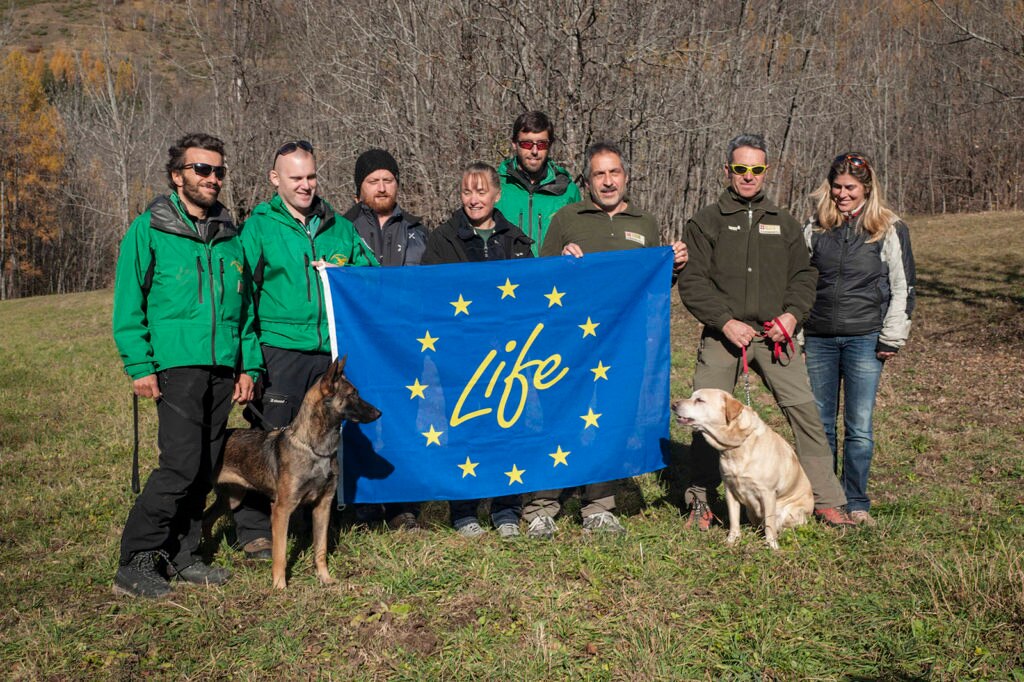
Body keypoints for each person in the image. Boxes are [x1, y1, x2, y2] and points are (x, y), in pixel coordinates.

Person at [678, 133, 854, 531]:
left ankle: (825, 499)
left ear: (766, 172)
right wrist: (724, 321)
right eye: (740, 169)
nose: (748, 176)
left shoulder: (785, 223)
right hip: (725, 335)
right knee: (704, 417)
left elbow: (805, 277)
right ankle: (701, 501)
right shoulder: (705, 222)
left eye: (756, 169)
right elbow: (693, 282)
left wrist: (792, 316)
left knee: (804, 412)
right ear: (728, 171)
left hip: (777, 336)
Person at [111, 132, 262, 598]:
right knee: (179, 465)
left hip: (222, 367)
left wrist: (247, 366)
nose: (212, 178)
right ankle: (136, 560)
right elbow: (127, 304)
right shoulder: (149, 229)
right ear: (177, 176)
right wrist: (140, 365)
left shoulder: (230, 236)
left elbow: (246, 310)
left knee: (207, 465)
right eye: (202, 169)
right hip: (176, 366)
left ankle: (183, 554)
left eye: (219, 170)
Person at [529, 141, 688, 539]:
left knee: (607, 419)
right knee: (559, 415)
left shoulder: (645, 224)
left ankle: (598, 506)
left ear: (626, 177)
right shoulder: (567, 217)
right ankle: (541, 506)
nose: (607, 181)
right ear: (588, 180)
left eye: (614, 172)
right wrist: (562, 259)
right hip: (569, 340)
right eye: (599, 174)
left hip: (620, 342)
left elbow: (650, 288)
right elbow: (542, 277)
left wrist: (672, 266)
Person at [235, 140, 378, 558]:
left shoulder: (339, 225)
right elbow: (241, 297)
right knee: (270, 441)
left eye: (311, 176)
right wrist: (248, 357)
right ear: (275, 179)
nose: (306, 185)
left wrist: (345, 273)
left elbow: (373, 276)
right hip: (280, 348)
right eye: (295, 177)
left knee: (326, 437)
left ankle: (317, 515)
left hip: (328, 349)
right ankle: (254, 528)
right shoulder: (259, 226)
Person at [802, 151, 916, 527]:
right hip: (818, 338)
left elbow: (903, 286)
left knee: (859, 426)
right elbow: (799, 285)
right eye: (836, 187)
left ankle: (856, 502)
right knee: (820, 424)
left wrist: (892, 336)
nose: (842, 194)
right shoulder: (816, 228)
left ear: (866, 188)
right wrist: (800, 334)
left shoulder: (888, 228)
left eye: (850, 187)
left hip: (865, 339)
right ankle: (825, 500)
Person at [422, 162, 532, 537]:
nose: (474, 199)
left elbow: (533, 294)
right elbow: (431, 295)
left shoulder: (516, 241)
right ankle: (464, 510)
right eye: (467, 191)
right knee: (465, 426)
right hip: (461, 353)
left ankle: (505, 508)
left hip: (508, 354)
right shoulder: (443, 239)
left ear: (496, 195)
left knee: (508, 424)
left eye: (481, 191)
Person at [343, 148, 428, 530]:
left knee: (404, 421)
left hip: (406, 345)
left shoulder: (418, 230)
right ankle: (363, 506)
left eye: (388, 180)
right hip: (358, 342)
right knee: (358, 422)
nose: (382, 187)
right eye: (373, 181)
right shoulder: (340, 229)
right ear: (359, 188)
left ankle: (402, 506)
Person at [495, 110, 581, 255]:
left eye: (542, 144)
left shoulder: (568, 191)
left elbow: (580, 239)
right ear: (515, 144)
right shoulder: (496, 186)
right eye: (527, 144)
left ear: (550, 145)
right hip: (507, 276)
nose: (534, 151)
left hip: (552, 276)